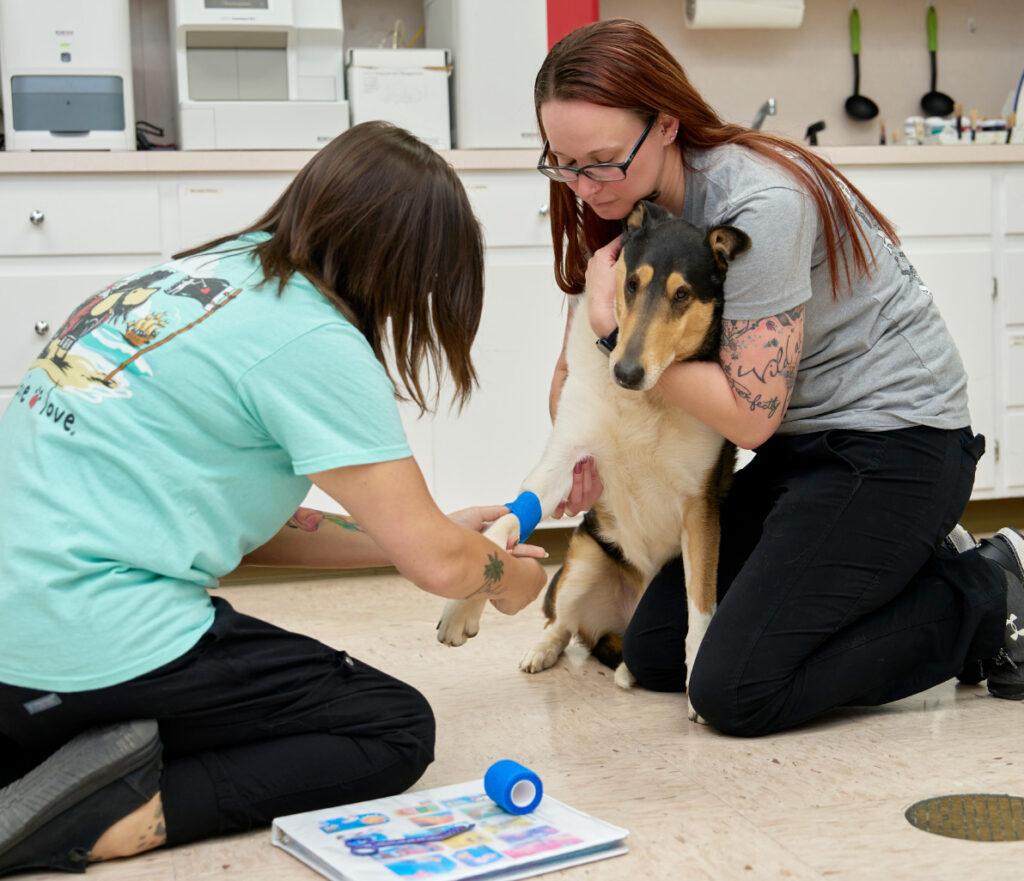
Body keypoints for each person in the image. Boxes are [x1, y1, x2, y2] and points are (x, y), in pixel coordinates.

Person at [0, 121, 548, 875]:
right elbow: (442, 566)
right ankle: (113, 818)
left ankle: (52, 751)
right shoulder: (313, 335)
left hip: (15, 647)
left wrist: (422, 534)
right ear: (408, 269)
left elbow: (272, 527)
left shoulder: (190, 278)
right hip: (93, 636)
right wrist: (510, 577)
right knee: (391, 728)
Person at [535, 19, 1024, 737]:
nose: (582, 185)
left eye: (600, 162)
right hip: (802, 452)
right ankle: (903, 561)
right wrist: (581, 451)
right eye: (562, 164)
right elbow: (574, 369)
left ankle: (986, 591)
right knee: (654, 650)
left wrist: (617, 335)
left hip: (898, 444)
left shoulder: (757, 207)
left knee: (736, 690)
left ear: (666, 125)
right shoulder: (621, 205)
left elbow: (748, 414)